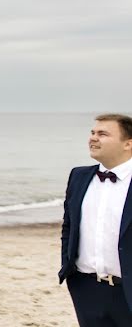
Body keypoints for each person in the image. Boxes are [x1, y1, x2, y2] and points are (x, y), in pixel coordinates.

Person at [61, 114, 132, 326]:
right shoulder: (79, 176)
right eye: (92, 133)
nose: (93, 138)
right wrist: (68, 268)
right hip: (86, 288)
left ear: (128, 143)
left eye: (103, 134)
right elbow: (69, 227)